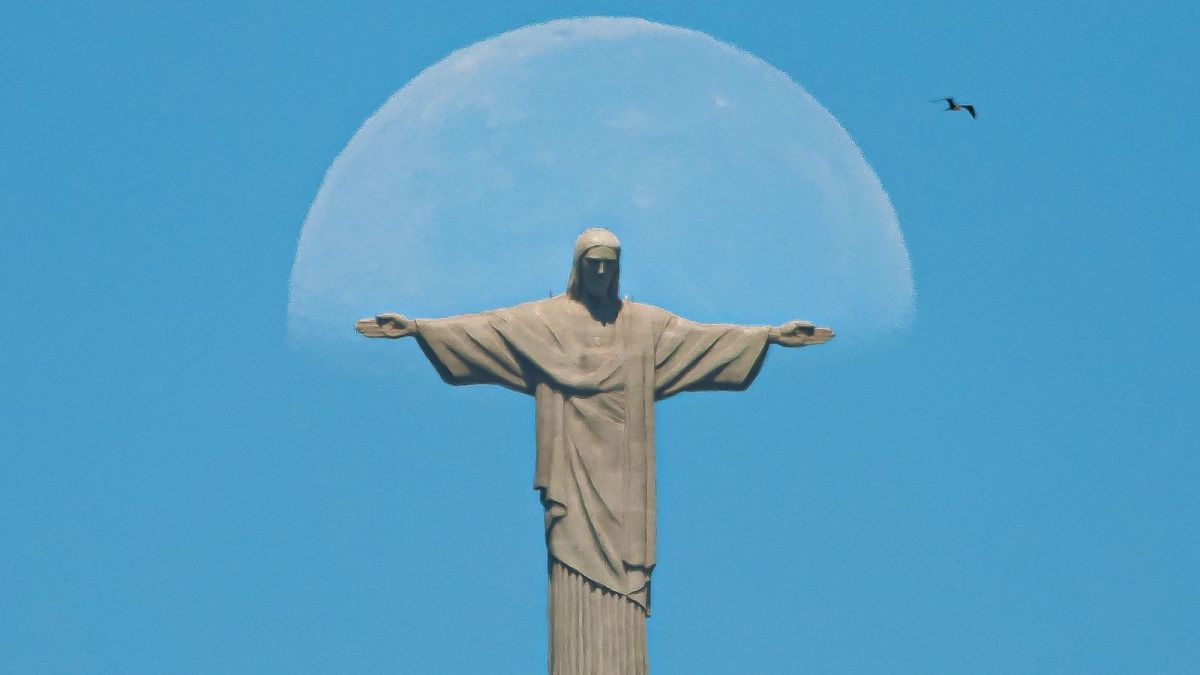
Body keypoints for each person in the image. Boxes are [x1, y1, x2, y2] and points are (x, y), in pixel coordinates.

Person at [356, 228, 833, 674]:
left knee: (626, 581)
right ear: (577, 269)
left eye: (609, 266)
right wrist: (418, 327)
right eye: (593, 266)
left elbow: (701, 340)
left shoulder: (644, 327)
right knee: (570, 561)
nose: (601, 275)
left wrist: (767, 335)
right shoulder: (544, 322)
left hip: (625, 481)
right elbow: (488, 330)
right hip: (571, 474)